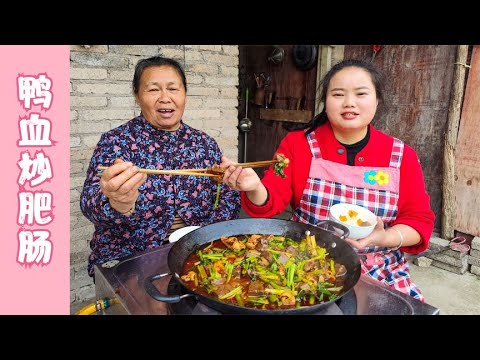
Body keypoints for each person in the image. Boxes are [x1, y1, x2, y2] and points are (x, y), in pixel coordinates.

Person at [220, 59, 435, 301]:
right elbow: (273, 198)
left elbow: (418, 221)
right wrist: (255, 187)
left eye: (361, 93)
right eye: (338, 94)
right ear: (325, 101)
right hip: (305, 261)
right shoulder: (297, 144)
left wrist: (387, 237)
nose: (349, 103)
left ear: (377, 100)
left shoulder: (401, 155)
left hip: (380, 268)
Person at [80, 56, 241, 278]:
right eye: (153, 90)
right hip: (133, 259)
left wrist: (208, 239)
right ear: (137, 96)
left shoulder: (204, 143)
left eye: (173, 88)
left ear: (184, 94)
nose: (165, 98)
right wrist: (117, 202)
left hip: (197, 255)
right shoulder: (116, 142)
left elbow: (228, 199)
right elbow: (89, 204)